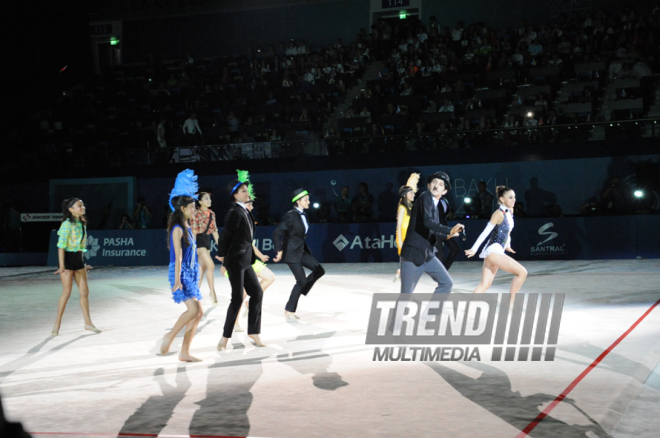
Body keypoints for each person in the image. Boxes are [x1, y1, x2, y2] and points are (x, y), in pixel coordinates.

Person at [159, 170, 204, 362]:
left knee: (199, 313)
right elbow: (177, 257)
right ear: (183, 209)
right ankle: (170, 336)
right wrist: (177, 279)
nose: (195, 209)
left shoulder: (187, 227)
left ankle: (184, 351)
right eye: (192, 206)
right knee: (193, 311)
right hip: (180, 273)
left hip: (189, 273)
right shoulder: (177, 229)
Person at [216, 174, 265, 350]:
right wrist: (222, 257)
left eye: (246, 190)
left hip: (245, 260)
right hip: (235, 261)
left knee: (257, 292)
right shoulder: (234, 213)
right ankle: (224, 338)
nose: (247, 193)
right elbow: (225, 236)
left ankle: (253, 331)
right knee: (237, 299)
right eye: (243, 191)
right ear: (235, 195)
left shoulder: (244, 210)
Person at [400, 172, 464, 294]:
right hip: (413, 254)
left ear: (444, 191)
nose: (436, 186)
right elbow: (427, 222)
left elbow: (432, 230)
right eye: (434, 182)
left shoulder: (434, 206)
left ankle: (430, 314)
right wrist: (449, 229)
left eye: (440, 184)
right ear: (428, 185)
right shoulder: (425, 197)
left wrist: (447, 235)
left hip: (427, 255)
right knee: (405, 296)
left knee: (447, 283)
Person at [465, 186, 527, 310]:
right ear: (501, 199)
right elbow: (485, 232)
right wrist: (474, 248)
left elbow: (508, 231)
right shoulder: (498, 213)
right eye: (510, 197)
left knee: (485, 284)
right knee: (522, 273)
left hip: (496, 251)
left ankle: (469, 310)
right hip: (493, 250)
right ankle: (511, 303)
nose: (513, 200)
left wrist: (508, 245)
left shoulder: (510, 211)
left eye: (514, 197)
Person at [220, 199, 276, 332]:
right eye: (249, 204)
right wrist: (224, 262)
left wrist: (261, 256)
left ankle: (250, 302)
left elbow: (249, 243)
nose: (252, 206)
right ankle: (235, 322)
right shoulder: (236, 217)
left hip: (249, 258)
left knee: (270, 277)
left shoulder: (248, 218)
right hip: (236, 261)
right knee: (241, 293)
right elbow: (227, 240)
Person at [273, 188, 325, 319]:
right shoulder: (290, 215)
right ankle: (289, 310)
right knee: (301, 281)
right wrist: (279, 250)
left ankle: (302, 290)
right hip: (291, 253)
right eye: (306, 199)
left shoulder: (304, 215)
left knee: (319, 270)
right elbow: (277, 233)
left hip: (301, 251)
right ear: (298, 201)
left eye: (308, 199)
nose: (309, 201)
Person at [51, 198, 101, 336]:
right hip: (67, 261)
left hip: (78, 261)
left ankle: (88, 323)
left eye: (83, 205)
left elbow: (81, 247)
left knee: (84, 292)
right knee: (66, 293)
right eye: (79, 206)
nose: (82, 207)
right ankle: (57, 324)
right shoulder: (67, 225)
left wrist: (83, 263)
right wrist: (62, 266)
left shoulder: (82, 224)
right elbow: (61, 247)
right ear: (71, 209)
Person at [191, 192, 219, 304]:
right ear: (200, 202)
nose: (209, 200)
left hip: (207, 241)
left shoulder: (212, 213)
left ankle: (195, 293)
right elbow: (193, 231)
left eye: (209, 199)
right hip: (199, 241)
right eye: (206, 199)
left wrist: (220, 246)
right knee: (211, 265)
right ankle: (212, 292)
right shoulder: (195, 214)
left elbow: (214, 231)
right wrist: (192, 247)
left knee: (201, 269)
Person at [394, 173, 420, 282]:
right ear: (405, 195)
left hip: (410, 237)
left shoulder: (410, 206)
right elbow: (399, 225)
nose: (413, 194)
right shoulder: (403, 208)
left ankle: (401, 272)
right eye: (411, 193)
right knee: (406, 262)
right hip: (403, 237)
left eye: (413, 193)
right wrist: (400, 241)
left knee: (411, 263)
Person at [436, 189, 461, 271]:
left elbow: (447, 214)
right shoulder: (431, 201)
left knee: (455, 249)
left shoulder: (444, 200)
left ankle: (444, 270)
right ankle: (441, 275)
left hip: (445, 229)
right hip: (436, 230)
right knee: (440, 254)